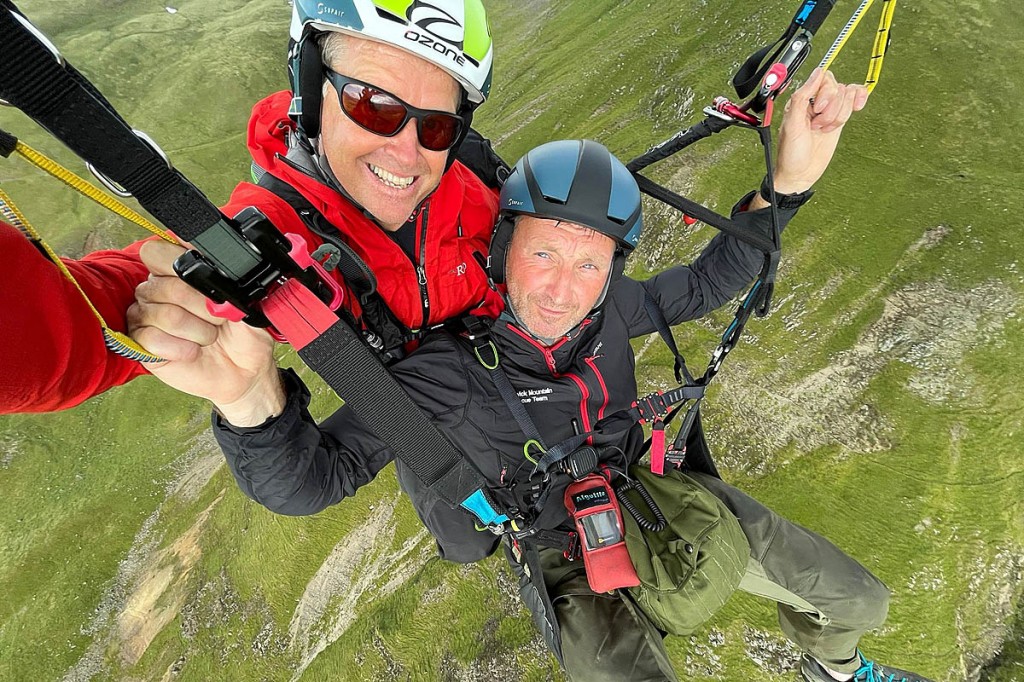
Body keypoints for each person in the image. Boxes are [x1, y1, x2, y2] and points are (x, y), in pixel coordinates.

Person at [138, 71, 933, 682]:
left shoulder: (614, 309)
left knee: (861, 600)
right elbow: (311, 482)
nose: (562, 287)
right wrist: (247, 400)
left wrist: (787, 186)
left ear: (612, 268)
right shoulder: (439, 375)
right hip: (553, 549)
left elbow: (715, 278)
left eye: (589, 261)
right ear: (501, 250)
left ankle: (832, 666)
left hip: (645, 492)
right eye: (543, 254)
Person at [0, 0, 506, 414]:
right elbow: (53, 339)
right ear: (310, 87)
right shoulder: (274, 237)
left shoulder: (476, 180)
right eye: (374, 105)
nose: (407, 152)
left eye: (436, 125)